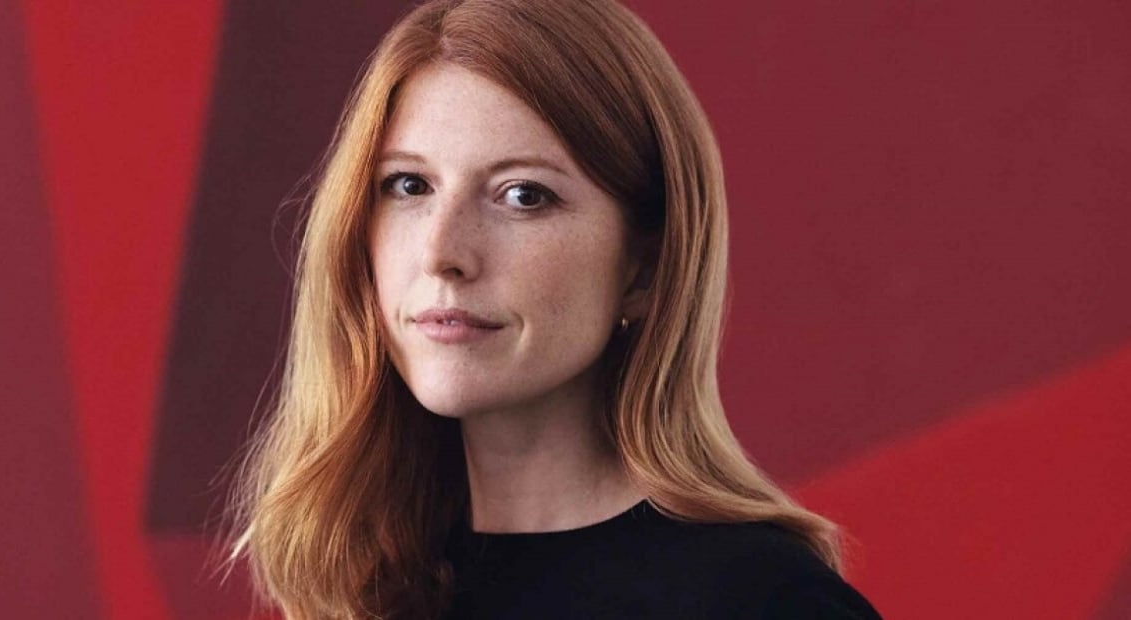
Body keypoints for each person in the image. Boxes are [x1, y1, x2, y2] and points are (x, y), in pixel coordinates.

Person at [229, 1, 883, 618]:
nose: (440, 251)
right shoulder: (371, 589)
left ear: (645, 266)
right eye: (408, 185)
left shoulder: (762, 603)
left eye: (523, 196)